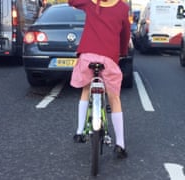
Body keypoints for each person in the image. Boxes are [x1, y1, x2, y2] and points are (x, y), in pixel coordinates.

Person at [68, 0, 131, 159]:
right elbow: (125, 34)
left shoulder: (90, 3)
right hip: (109, 58)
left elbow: (71, 1)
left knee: (86, 89)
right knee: (114, 99)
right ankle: (120, 144)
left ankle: (79, 131)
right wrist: (122, 52)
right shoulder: (123, 8)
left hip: (87, 56)